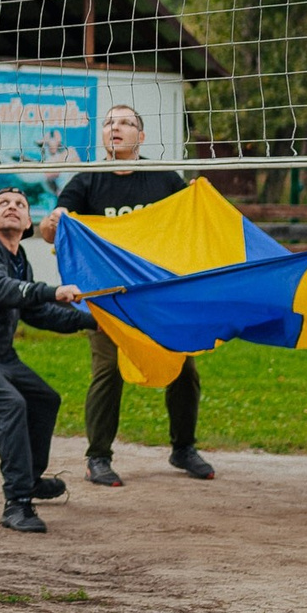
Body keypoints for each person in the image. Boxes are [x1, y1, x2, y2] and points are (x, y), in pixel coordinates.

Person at [38, 103, 211, 485]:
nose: (115, 128)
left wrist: (202, 200)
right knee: (108, 371)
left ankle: (183, 449)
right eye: (109, 123)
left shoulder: (163, 179)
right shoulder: (87, 180)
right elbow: (50, 232)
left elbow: (192, 219)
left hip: (158, 295)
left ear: (141, 136)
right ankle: (98, 457)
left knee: (184, 369)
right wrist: (51, 222)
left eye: (126, 123)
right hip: (107, 297)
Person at [0, 187, 97, 534]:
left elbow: (37, 313)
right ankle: (17, 504)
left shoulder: (19, 257)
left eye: (20, 205)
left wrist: (93, 319)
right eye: (3, 203)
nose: (12, 207)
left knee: (44, 399)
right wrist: (52, 290)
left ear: (27, 223)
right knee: (10, 406)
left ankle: (32, 479)